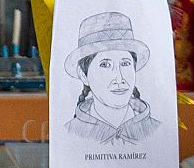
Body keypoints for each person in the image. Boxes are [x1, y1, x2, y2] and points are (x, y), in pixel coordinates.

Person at [63, 11, 160, 146]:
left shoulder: (157, 131)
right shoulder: (69, 133)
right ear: (83, 75)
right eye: (105, 65)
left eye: (125, 63)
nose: (119, 78)